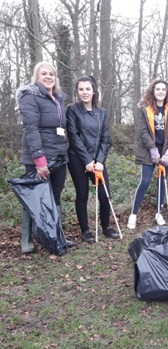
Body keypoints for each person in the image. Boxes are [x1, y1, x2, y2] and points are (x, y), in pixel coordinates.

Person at [16, 61, 73, 254]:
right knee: (33, 198)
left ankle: (57, 235)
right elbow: (31, 130)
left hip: (58, 156)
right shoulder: (29, 96)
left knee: (55, 197)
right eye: (44, 74)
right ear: (36, 77)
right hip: (37, 158)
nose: (49, 77)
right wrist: (40, 161)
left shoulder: (57, 98)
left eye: (52, 74)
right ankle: (26, 240)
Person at [66, 76, 120, 243]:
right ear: (77, 91)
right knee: (82, 194)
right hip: (77, 159)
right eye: (81, 89)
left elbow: (105, 138)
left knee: (104, 195)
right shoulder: (72, 110)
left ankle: (106, 227)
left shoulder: (102, 113)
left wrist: (100, 161)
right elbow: (73, 137)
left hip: (97, 161)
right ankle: (85, 231)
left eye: (87, 89)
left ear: (94, 91)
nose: (84, 92)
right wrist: (87, 161)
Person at [127, 79, 168, 230]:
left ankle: (158, 213)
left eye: (163, 89)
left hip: (165, 151)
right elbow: (143, 132)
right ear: (153, 91)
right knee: (145, 181)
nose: (161, 92)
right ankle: (133, 214)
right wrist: (153, 149)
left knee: (162, 182)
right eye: (158, 89)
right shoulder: (145, 108)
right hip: (149, 151)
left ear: (167, 92)